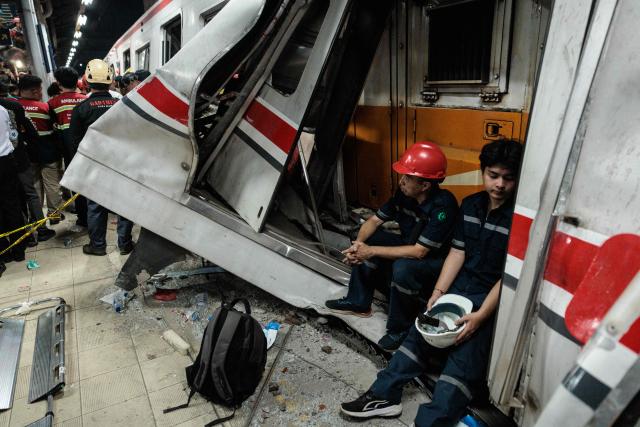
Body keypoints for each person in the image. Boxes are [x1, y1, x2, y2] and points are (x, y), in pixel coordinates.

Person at [339, 139, 523, 426]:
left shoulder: (519, 219)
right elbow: (458, 252)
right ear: (483, 172)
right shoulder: (471, 205)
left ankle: (430, 422)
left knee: (461, 365)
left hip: (488, 298)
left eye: (508, 178)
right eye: (493, 175)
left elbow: (509, 275)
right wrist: (438, 292)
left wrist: (480, 316)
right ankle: (383, 396)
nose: (499, 184)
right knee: (420, 334)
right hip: (458, 288)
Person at [326, 142, 459, 351]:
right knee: (366, 237)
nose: (402, 180)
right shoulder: (404, 195)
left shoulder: (444, 206)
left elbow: (419, 251)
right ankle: (358, 301)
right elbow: (374, 221)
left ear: (425, 185)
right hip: (408, 247)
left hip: (435, 263)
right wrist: (359, 246)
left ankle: (400, 328)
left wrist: (371, 252)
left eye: (408, 177)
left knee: (403, 268)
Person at [70, 59, 134, 256]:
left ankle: (98, 246)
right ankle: (124, 244)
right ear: (110, 81)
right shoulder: (121, 104)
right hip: (121, 163)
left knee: (96, 207)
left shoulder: (81, 109)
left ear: (87, 82)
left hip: (95, 165)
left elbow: (74, 143)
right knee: (124, 204)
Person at [0, 74, 55, 242]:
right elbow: (31, 131)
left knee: (11, 198)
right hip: (19, 157)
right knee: (30, 194)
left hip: (3, 162)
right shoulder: (14, 106)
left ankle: (22, 237)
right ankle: (41, 230)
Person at [16, 74, 65, 225]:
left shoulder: (15, 107)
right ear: (34, 91)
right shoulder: (45, 107)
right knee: (52, 184)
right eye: (40, 89)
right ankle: (54, 215)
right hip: (48, 151)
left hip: (27, 154)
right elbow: (54, 126)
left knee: (34, 186)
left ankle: (37, 219)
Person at [49, 66, 88, 227]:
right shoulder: (85, 99)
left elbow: (52, 127)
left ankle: (83, 217)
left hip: (69, 150)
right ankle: (96, 215)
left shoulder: (52, 103)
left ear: (58, 84)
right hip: (88, 147)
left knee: (76, 183)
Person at [0, 103, 27, 272]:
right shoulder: (2, 110)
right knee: (12, 205)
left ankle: (4, 251)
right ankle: (19, 249)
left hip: (6, 159)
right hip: (6, 161)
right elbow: (13, 135)